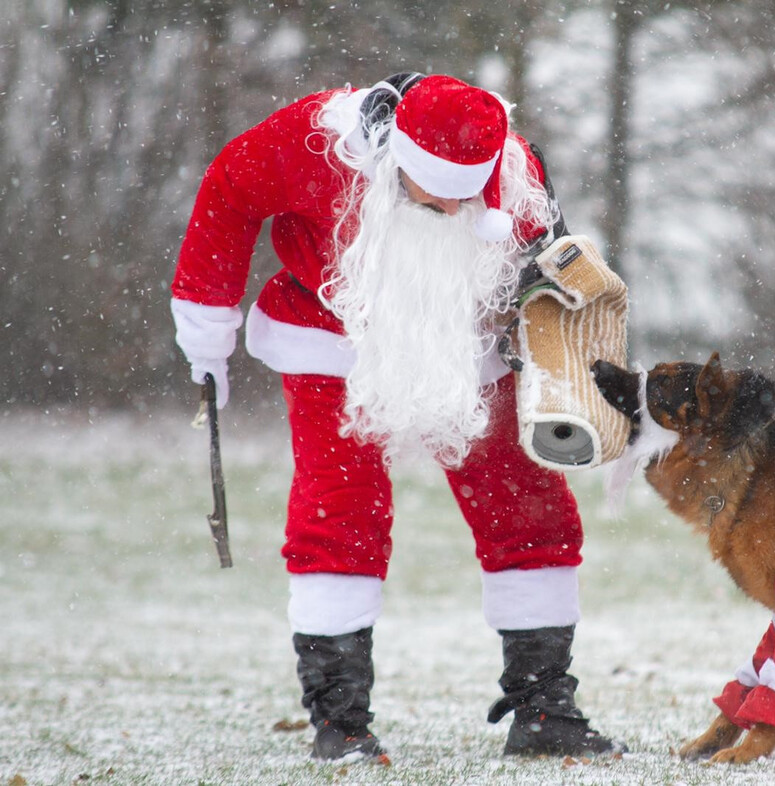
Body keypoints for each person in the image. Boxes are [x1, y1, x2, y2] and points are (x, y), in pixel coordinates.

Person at [170, 71, 624, 761]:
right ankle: (341, 721)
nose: (447, 206)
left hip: (470, 349)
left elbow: (543, 266)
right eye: (431, 193)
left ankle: (545, 708)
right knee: (340, 513)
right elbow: (228, 190)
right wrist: (208, 322)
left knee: (528, 507)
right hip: (331, 342)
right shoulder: (314, 143)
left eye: (461, 197)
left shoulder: (518, 170)